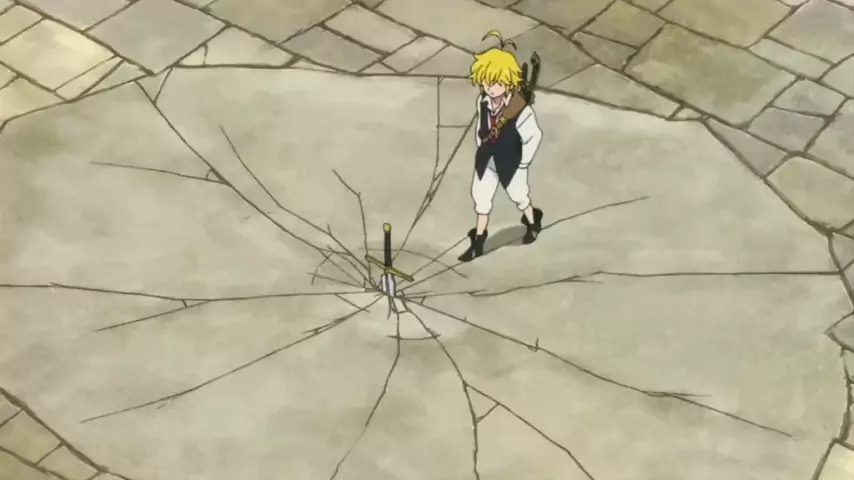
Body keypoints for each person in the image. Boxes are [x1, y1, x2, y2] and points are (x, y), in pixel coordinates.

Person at [458, 30, 544, 263]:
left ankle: (532, 221)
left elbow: (534, 136)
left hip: (511, 162)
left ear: (508, 81)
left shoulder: (520, 109)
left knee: (519, 196)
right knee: (481, 199)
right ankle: (478, 241)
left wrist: (523, 162)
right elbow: (481, 125)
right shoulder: (483, 101)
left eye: (496, 82)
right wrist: (481, 145)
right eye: (486, 82)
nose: (490, 87)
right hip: (487, 159)